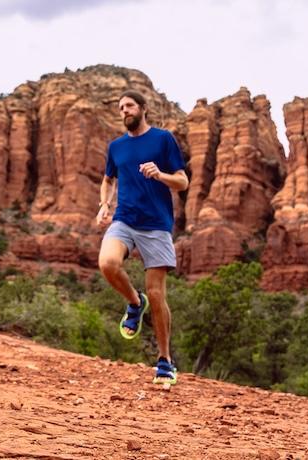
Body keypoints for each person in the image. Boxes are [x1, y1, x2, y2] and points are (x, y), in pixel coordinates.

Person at [95, 90, 188, 385]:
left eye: (130, 105)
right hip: (125, 219)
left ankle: (164, 360)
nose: (124, 111)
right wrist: (105, 204)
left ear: (143, 109)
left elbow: (183, 181)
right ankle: (135, 303)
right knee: (108, 263)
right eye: (121, 107)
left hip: (157, 225)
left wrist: (160, 174)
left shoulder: (163, 139)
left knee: (159, 296)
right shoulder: (116, 147)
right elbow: (108, 179)